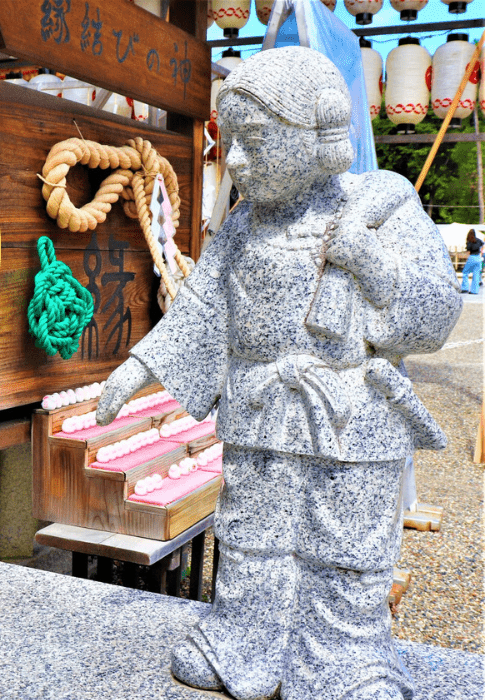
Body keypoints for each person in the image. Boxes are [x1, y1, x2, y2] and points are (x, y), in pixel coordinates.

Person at [96, 47, 462, 700]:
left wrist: (370, 263)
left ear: (317, 137)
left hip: (351, 414)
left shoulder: (383, 207)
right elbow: (203, 307)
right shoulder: (241, 226)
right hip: (261, 411)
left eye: (252, 142)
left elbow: (434, 311)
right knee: (251, 538)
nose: (233, 162)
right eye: (227, 142)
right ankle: (246, 640)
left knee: (345, 549)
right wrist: (138, 370)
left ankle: (348, 662)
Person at [460, 228, 482, 294]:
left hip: (472, 257)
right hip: (478, 258)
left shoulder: (469, 241)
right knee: (476, 274)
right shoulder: (479, 240)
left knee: (465, 272)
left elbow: (468, 250)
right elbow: (482, 244)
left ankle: (465, 288)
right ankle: (474, 291)